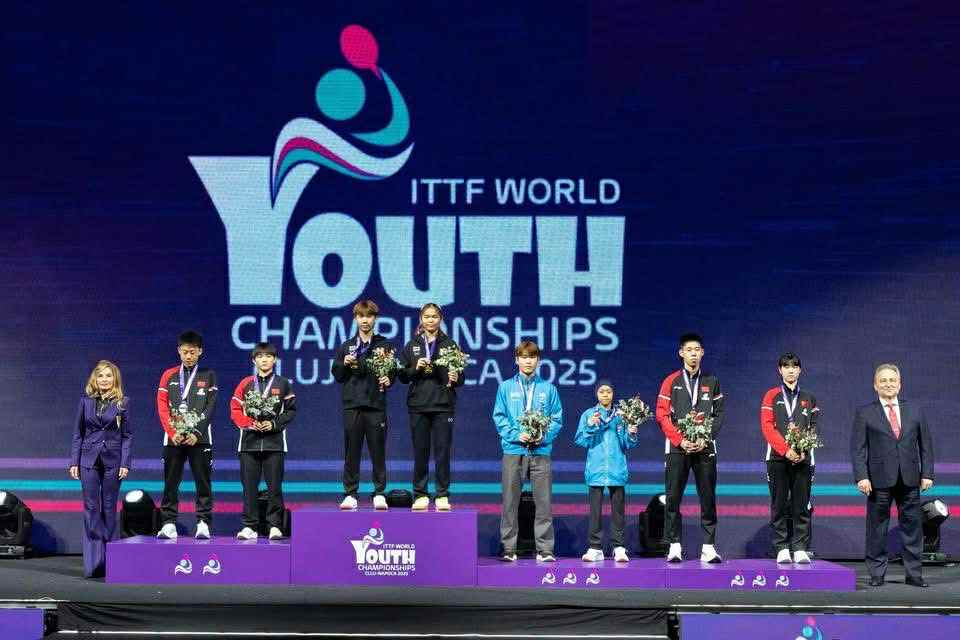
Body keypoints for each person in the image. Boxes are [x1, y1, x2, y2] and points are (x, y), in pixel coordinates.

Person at [851, 363, 935, 587]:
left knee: (912, 527)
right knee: (877, 528)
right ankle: (877, 574)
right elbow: (858, 448)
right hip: (878, 480)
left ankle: (914, 574)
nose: (888, 384)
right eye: (883, 381)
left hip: (910, 478)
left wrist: (927, 473)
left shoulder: (915, 410)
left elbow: (925, 445)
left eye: (892, 380)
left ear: (899, 384)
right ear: (875, 385)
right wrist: (862, 476)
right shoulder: (865, 413)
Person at [655, 332, 724, 562]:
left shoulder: (712, 382)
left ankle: (708, 546)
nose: (693, 354)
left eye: (697, 350)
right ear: (681, 353)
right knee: (673, 497)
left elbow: (719, 414)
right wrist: (679, 439)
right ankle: (674, 545)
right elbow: (662, 414)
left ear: (702, 353)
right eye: (689, 350)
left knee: (708, 497)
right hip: (678, 448)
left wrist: (706, 437)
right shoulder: (670, 381)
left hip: (705, 447)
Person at [493, 341, 562, 562]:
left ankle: (545, 550)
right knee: (510, 502)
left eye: (532, 357)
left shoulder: (548, 389)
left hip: (540, 451)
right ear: (517, 360)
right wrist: (516, 434)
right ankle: (508, 548)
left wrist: (542, 436)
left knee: (543, 503)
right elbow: (499, 417)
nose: (528, 361)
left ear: (538, 360)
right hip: (514, 449)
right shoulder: (505, 387)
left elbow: (557, 419)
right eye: (523, 357)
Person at [397, 303, 465, 511]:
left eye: (434, 316)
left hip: (443, 405)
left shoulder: (450, 344)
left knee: (442, 452)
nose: (430, 320)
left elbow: (461, 377)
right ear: (421, 318)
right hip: (418, 405)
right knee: (421, 452)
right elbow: (402, 376)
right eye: (426, 316)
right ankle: (420, 494)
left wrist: (456, 377)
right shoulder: (412, 345)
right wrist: (415, 369)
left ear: (440, 318)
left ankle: (442, 494)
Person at [332, 299, 397, 510]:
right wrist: (344, 364)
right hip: (353, 405)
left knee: (378, 451)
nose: (365, 320)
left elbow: (392, 372)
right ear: (355, 319)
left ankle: (379, 493)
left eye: (369, 316)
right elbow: (338, 375)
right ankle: (350, 494)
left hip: (376, 405)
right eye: (361, 316)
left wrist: (389, 379)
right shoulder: (347, 346)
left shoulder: (384, 345)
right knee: (351, 451)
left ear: (375, 319)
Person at [69, 360, 132, 578]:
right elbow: (78, 434)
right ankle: (94, 561)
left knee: (109, 507)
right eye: (100, 376)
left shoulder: (123, 403)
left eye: (108, 375)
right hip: (88, 460)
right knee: (91, 507)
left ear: (115, 379)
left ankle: (111, 562)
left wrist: (125, 463)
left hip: (113, 461)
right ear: (94, 379)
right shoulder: (85, 402)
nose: (104, 379)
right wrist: (74, 461)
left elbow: (127, 435)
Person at [229, 342, 297, 540]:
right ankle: (249, 526)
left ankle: (275, 525)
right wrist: (250, 423)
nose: (264, 360)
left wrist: (273, 424)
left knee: (274, 487)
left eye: (268, 356)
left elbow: (291, 411)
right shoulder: (245, 383)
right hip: (248, 444)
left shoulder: (283, 384)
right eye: (260, 356)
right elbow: (234, 410)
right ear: (254, 360)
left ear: (274, 360)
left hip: (274, 444)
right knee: (249, 488)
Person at [155, 330, 217, 540]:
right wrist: (172, 432)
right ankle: (169, 523)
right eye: (184, 352)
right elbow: (162, 407)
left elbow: (210, 406)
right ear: (178, 351)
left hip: (200, 439)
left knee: (203, 482)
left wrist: (197, 432)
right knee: (171, 483)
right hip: (173, 439)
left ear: (200, 351)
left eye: (192, 352)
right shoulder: (168, 375)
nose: (188, 356)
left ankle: (203, 523)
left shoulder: (208, 375)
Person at [760, 353, 818, 564]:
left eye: (794, 366)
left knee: (801, 504)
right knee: (779, 504)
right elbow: (767, 427)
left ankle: (800, 547)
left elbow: (813, 428)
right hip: (777, 458)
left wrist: (803, 450)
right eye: (786, 366)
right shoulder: (771, 396)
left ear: (800, 370)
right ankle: (782, 547)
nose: (791, 370)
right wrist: (785, 450)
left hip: (803, 459)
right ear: (780, 370)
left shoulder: (809, 398)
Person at [574, 380, 638, 563]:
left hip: (617, 469)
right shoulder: (589, 414)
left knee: (618, 511)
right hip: (596, 469)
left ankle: (619, 547)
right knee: (595, 511)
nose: (605, 395)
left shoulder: (622, 415)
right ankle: (595, 548)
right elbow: (580, 440)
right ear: (596, 394)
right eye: (601, 391)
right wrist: (590, 426)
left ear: (613, 394)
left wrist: (631, 433)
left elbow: (628, 444)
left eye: (608, 391)